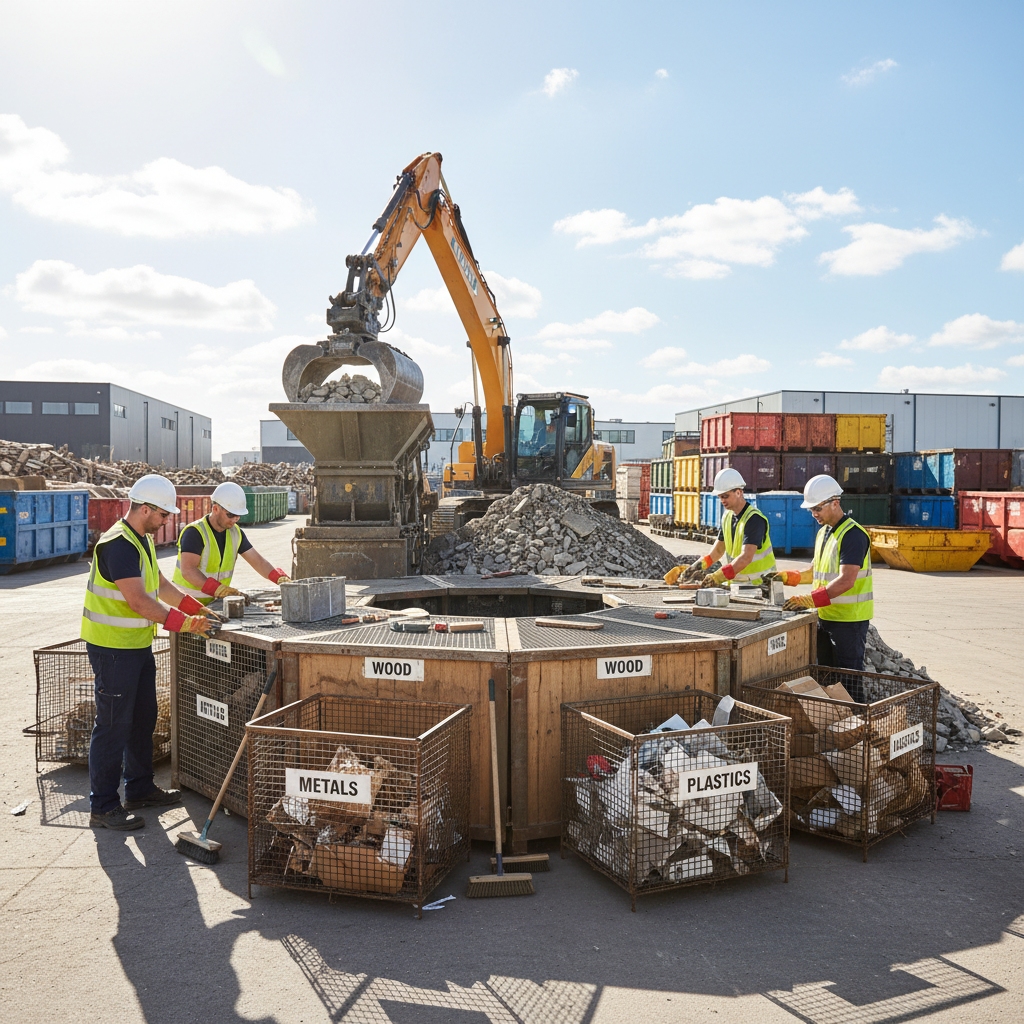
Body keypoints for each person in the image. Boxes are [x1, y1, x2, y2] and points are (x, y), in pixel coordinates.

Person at [82, 474, 217, 831]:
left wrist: (195, 608)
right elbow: (141, 602)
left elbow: (160, 584)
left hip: (135, 647)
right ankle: (104, 806)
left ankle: (139, 789)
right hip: (112, 650)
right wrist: (186, 624)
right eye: (163, 514)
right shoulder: (118, 545)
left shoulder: (139, 539)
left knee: (143, 718)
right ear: (145, 508)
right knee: (112, 726)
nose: (166, 521)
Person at [770, 474, 873, 702]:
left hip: (849, 621)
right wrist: (788, 576)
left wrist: (808, 600)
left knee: (849, 679)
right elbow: (815, 573)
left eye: (817, 508)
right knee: (827, 676)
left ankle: (857, 722)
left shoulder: (853, 535)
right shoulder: (824, 532)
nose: (814, 514)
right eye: (811, 509)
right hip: (825, 617)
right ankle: (836, 723)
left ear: (835, 502)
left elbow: (847, 580)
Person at [172, 482, 290, 605]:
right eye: (231, 515)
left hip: (214, 603)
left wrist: (279, 578)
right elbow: (188, 571)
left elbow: (258, 561)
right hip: (186, 604)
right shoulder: (195, 532)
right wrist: (220, 590)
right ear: (216, 509)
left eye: (238, 515)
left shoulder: (236, 533)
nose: (235, 519)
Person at [663, 468, 776, 587]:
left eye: (725, 496)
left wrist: (718, 576)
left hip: (760, 585)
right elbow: (717, 551)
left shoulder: (754, 519)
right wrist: (692, 568)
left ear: (739, 492)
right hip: (738, 585)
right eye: (720, 497)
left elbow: (746, 557)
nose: (722, 500)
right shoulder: (727, 516)